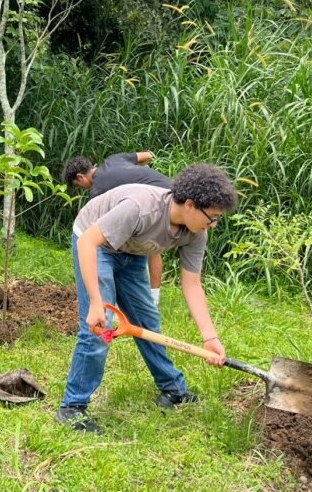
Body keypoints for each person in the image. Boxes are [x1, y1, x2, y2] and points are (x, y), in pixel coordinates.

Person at [56, 163, 238, 434]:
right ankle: (73, 406)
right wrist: (96, 301)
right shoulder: (142, 208)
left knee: (148, 323)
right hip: (97, 244)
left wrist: (210, 337)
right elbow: (87, 243)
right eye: (211, 217)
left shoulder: (196, 234)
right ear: (189, 204)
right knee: (100, 327)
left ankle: (172, 389)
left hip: (132, 251)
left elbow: (192, 285)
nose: (213, 224)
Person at [63, 152, 170, 306]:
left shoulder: (98, 191)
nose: (81, 189)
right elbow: (148, 155)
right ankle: (153, 297)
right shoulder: (114, 160)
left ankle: (146, 299)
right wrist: (136, 175)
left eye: (78, 185)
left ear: (80, 177)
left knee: (115, 244)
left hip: (156, 203)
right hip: (172, 194)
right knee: (153, 247)